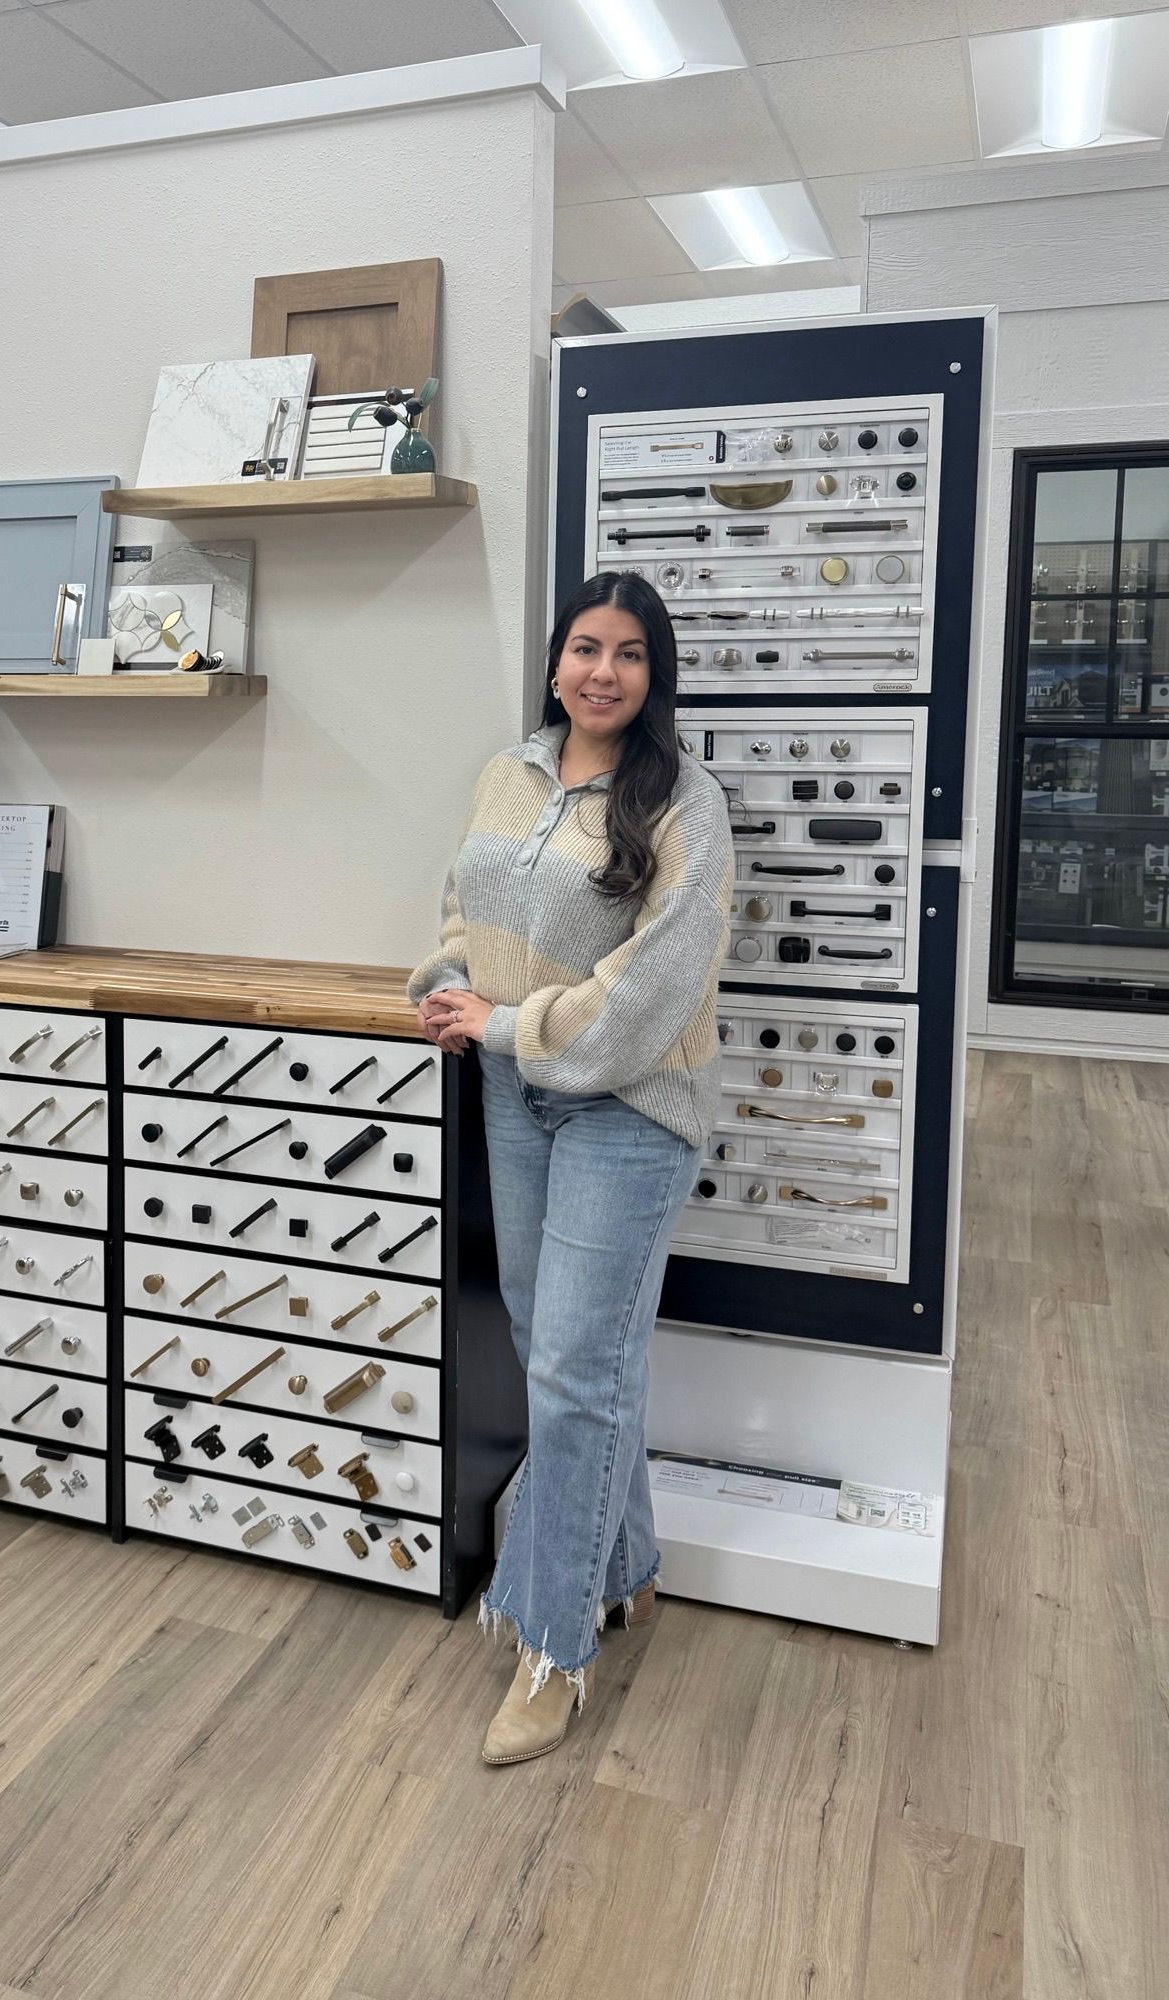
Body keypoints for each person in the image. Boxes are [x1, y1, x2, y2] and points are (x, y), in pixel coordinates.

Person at [409, 569, 734, 1766]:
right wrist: (444, 985)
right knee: (568, 1358)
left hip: (629, 1106)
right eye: (586, 647)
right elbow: (464, 896)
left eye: (630, 652)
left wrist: (499, 1023)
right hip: (517, 1086)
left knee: (574, 1377)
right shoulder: (512, 768)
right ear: (555, 661)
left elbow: (648, 994)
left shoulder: (686, 806)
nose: (604, 670)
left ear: (655, 675)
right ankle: (633, 1567)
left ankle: (553, 1645)